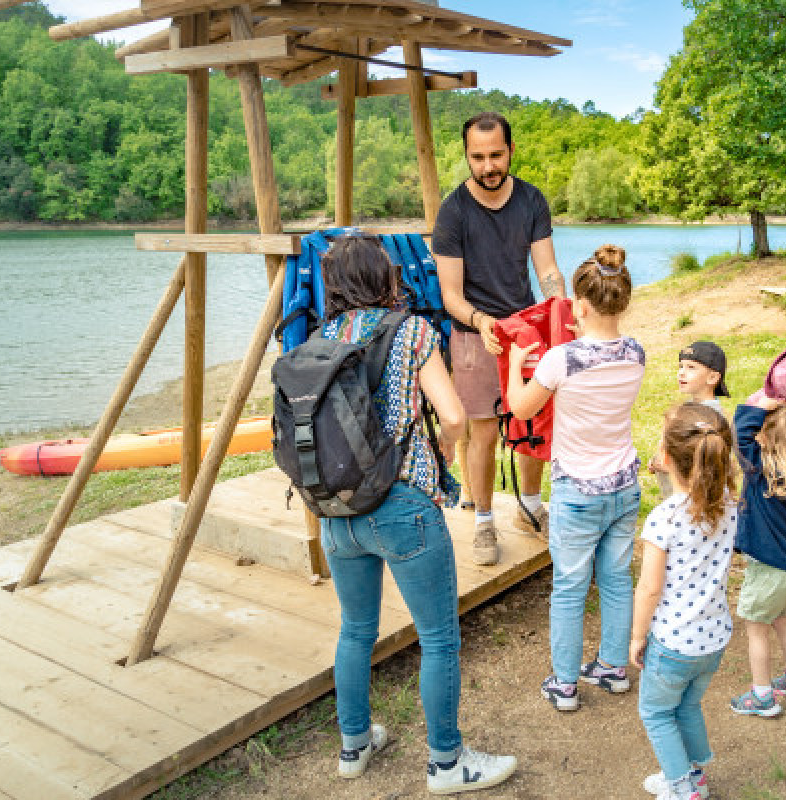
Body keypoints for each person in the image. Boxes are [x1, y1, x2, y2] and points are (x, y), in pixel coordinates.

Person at [316, 237, 517, 795]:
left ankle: (354, 745)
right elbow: (453, 415)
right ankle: (447, 764)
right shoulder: (412, 331)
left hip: (338, 510)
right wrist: (447, 448)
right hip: (402, 503)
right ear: (386, 275)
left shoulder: (321, 336)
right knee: (438, 637)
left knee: (356, 629)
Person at [504, 245, 645, 712]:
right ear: (623, 302)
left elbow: (521, 410)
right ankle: (612, 668)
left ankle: (564, 685)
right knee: (617, 580)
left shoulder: (560, 359)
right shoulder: (637, 354)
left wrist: (513, 364)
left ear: (579, 307)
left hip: (577, 492)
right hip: (624, 487)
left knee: (569, 587)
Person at [433, 111, 568, 566]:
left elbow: (546, 270)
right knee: (485, 432)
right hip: (475, 333)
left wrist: (561, 312)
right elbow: (449, 294)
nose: (488, 166)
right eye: (478, 157)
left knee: (531, 423)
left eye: (496, 155)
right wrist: (482, 320)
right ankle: (484, 521)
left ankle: (531, 507)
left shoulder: (531, 200)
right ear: (467, 156)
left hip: (525, 330)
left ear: (511, 150)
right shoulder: (453, 212)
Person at [630, 402, 738, 800]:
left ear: (668, 457)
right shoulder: (728, 503)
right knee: (688, 707)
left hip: (674, 643)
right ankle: (694, 774)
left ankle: (680, 788)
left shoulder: (664, 518)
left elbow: (649, 589)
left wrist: (637, 637)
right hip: (714, 639)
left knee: (657, 713)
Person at [727, 392, 786, 718]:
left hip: (767, 569)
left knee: (756, 628)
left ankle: (762, 695)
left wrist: (757, 404)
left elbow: (739, 431)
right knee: (783, 620)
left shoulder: (760, 473)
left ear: (766, 437)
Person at [649, 340, 731, 498]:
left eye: (691, 368)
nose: (681, 372)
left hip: (697, 501)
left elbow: (705, 464)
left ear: (713, 377)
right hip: (679, 497)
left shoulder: (712, 418)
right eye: (681, 366)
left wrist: (667, 465)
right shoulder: (687, 409)